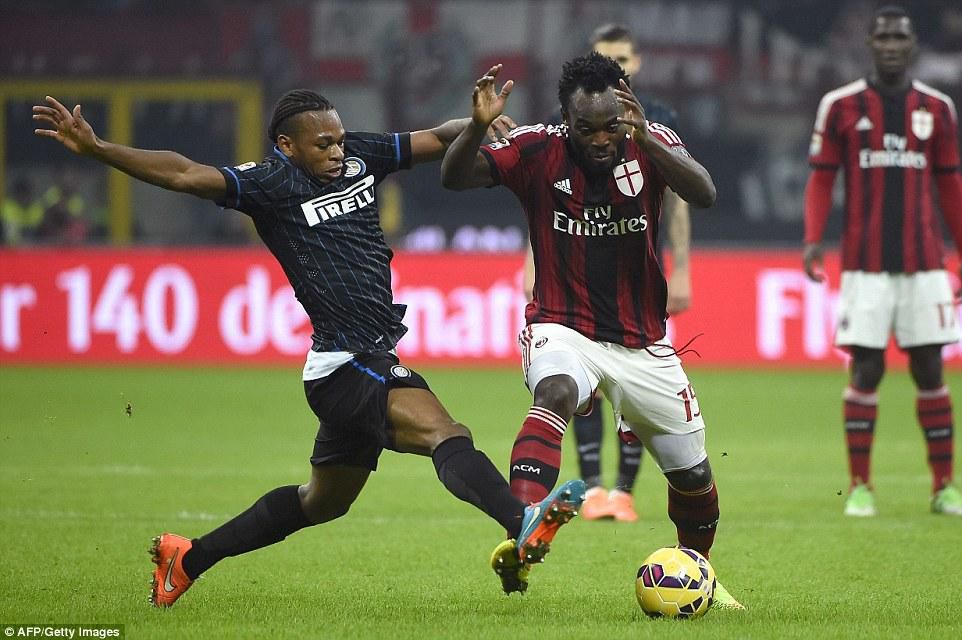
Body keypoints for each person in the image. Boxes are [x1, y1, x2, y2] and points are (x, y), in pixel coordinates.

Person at [33, 89, 586, 607]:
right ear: (286, 146)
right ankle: (520, 522)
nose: (336, 150)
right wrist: (99, 147)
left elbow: (436, 139)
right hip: (346, 364)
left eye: (339, 139)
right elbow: (183, 174)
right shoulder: (271, 184)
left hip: (357, 361)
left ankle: (187, 559)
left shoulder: (360, 155)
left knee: (320, 502)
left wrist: (477, 123)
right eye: (323, 144)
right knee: (447, 432)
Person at [441, 54, 742, 608]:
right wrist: (480, 126)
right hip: (562, 323)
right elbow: (454, 177)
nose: (602, 139)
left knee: (694, 475)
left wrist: (647, 139)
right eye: (587, 129)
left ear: (626, 112)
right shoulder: (536, 147)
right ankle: (523, 524)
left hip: (643, 341)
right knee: (555, 389)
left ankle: (700, 572)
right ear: (565, 119)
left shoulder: (652, 141)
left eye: (611, 126)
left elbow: (704, 193)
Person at [520, 23, 694, 523]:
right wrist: (530, 260)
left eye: (622, 56)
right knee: (578, 388)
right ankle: (595, 486)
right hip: (573, 274)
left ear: (634, 63)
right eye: (605, 54)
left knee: (634, 393)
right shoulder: (567, 118)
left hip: (637, 279)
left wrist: (681, 268)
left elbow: (682, 200)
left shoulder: (658, 122)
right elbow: (540, 194)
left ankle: (624, 490)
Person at [803, 5, 962, 517]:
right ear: (870, 44)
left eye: (900, 38)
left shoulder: (937, 108)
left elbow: (950, 183)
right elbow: (823, 176)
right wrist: (811, 240)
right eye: (883, 38)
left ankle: (943, 487)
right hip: (864, 267)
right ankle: (860, 487)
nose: (892, 46)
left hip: (926, 265)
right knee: (867, 369)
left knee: (930, 369)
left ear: (912, 46)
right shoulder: (841, 105)